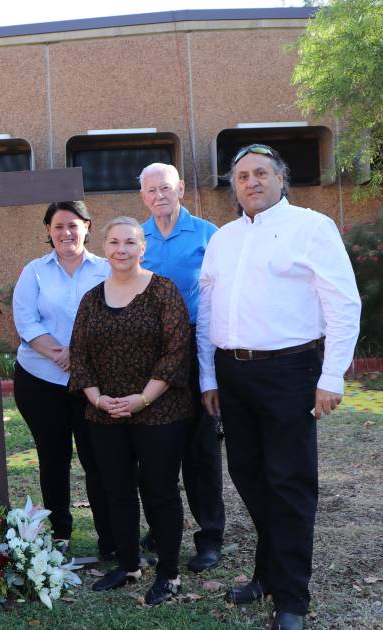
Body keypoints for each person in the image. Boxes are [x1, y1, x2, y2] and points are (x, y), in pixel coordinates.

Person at [198, 144, 361, 630]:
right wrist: (209, 376)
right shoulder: (223, 238)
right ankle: (266, 574)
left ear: (281, 178)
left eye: (261, 173)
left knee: (289, 485)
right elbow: (207, 312)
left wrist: (332, 376)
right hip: (233, 375)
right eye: (242, 175)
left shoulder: (312, 227)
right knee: (249, 478)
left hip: (291, 373)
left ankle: (291, 600)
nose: (251, 182)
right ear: (234, 185)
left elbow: (342, 302)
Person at [69, 216, 191, 605]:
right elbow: (80, 354)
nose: (121, 250)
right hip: (105, 413)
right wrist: (96, 397)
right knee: (116, 490)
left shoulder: (163, 292)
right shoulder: (91, 299)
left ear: (143, 248)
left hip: (159, 411)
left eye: (130, 243)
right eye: (115, 242)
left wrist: (143, 398)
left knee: (160, 491)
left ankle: (168, 573)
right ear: (104, 248)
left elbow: (176, 352)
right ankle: (128, 563)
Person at [11, 200, 113, 558]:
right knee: (53, 458)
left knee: (96, 458)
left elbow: (115, 318)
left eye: (73, 225)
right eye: (58, 227)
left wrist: (81, 357)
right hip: (40, 379)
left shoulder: (106, 268)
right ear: (48, 232)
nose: (66, 233)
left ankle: (109, 535)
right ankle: (61, 533)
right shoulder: (34, 271)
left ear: (87, 226)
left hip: (94, 383)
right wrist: (61, 352)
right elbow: (26, 322)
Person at [136, 163, 226, 573]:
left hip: (197, 347)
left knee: (201, 450)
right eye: (152, 190)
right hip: (149, 355)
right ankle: (159, 529)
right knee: (156, 448)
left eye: (166, 188)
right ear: (142, 196)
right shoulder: (136, 239)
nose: (160, 195)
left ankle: (209, 538)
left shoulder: (210, 235)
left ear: (182, 189)